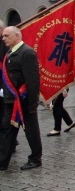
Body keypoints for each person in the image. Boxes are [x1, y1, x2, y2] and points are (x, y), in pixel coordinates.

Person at [0, 26, 42, 170]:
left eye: (7, 36)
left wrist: (32, 102)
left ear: (17, 35)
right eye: (3, 36)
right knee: (7, 129)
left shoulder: (27, 52)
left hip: (23, 100)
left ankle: (35, 158)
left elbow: (33, 80)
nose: (4, 38)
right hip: (11, 100)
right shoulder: (10, 52)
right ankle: (2, 161)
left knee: (31, 130)